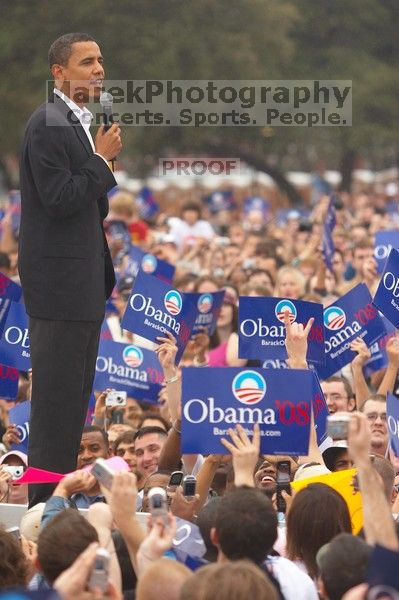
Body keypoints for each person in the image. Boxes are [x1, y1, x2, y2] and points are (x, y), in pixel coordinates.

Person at [19, 32, 122, 507]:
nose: (99, 69)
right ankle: (42, 508)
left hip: (81, 290)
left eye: (100, 60)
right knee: (53, 416)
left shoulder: (76, 123)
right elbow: (59, 200)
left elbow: (87, 207)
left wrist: (100, 163)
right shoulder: (48, 122)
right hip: (59, 292)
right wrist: (101, 161)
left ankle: (56, 502)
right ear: (59, 73)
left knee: (71, 411)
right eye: (87, 62)